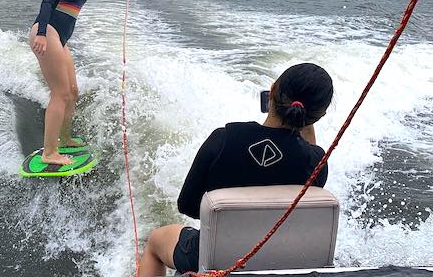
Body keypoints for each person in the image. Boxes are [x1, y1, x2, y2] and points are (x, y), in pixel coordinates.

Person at [139, 63, 335, 277]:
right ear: (320, 116)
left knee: (155, 241)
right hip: (282, 259)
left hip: (214, 258)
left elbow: (187, 206)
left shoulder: (223, 140)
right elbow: (309, 156)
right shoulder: (316, 163)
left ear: (271, 91)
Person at [29, 0, 106, 166]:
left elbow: (76, 1)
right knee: (60, 92)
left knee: (72, 92)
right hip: (47, 31)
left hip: (60, 38)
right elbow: (48, 3)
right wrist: (41, 32)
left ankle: (64, 137)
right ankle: (49, 152)